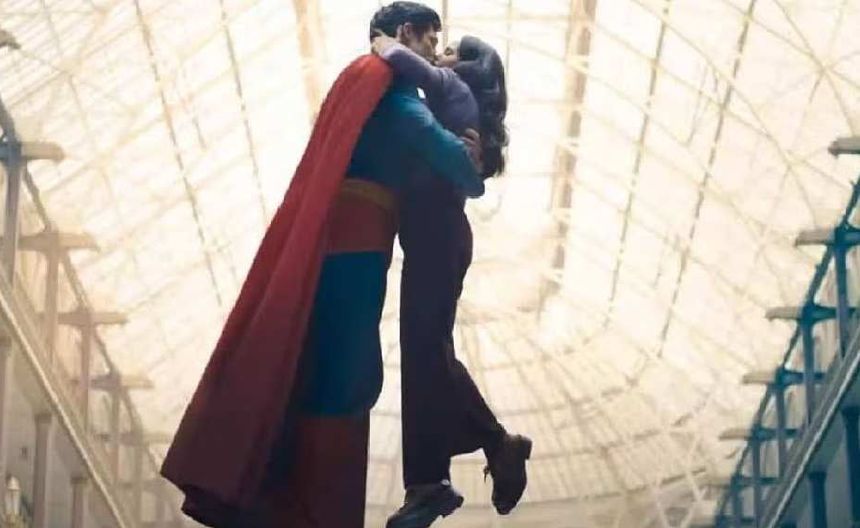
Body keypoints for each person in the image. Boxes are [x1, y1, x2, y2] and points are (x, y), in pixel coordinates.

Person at [159, 3, 485, 526]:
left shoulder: (363, 81)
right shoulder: (391, 88)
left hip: (348, 241)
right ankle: (312, 507)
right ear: (406, 33)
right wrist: (469, 163)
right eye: (429, 40)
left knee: (332, 369)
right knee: (348, 374)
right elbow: (443, 153)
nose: (434, 55)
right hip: (357, 247)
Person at [371, 23, 533, 528]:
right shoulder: (449, 104)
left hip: (438, 236)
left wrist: (384, 44)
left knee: (426, 351)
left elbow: (409, 64)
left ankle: (478, 453)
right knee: (425, 354)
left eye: (450, 50)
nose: (439, 53)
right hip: (435, 238)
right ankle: (434, 479)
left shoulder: (453, 87)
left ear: (467, 66)